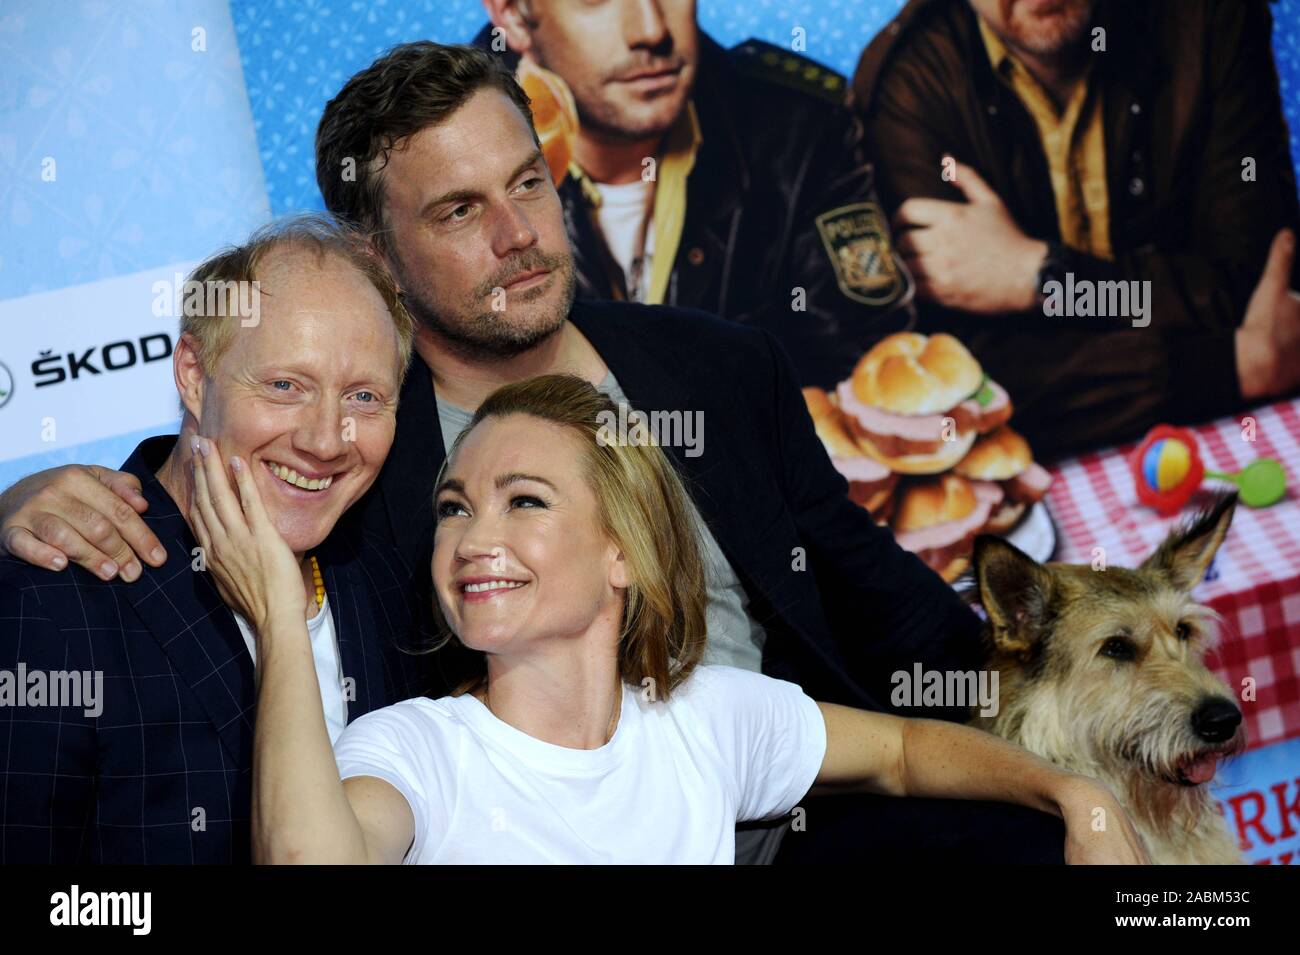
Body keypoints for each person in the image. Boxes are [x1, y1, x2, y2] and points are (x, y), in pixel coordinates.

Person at [0, 43, 1066, 864]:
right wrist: (55, 492)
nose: (519, 233)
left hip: (792, 799)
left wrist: (1076, 718)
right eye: (461, 210)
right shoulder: (370, 461)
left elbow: (883, 596)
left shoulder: (717, 365)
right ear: (376, 255)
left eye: (526, 183)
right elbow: (252, 437)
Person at [187, 371, 1147, 864]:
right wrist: (277, 610)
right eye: (453, 505)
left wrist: (1079, 798)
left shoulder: (702, 717)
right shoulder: (415, 748)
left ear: (622, 553)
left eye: (523, 500)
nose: (474, 536)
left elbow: (901, 749)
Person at [0, 217, 436, 862]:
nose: (323, 440)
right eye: (286, 386)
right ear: (194, 376)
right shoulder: (53, 601)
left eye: (365, 397)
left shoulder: (386, 582)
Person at [851, 0, 1300, 460]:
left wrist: (1046, 279)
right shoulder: (906, 86)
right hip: (1035, 476)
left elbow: (1256, 296)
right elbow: (959, 393)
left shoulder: (1209, 21)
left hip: (1236, 436)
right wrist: (1227, 365)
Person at [466, 0, 915, 389]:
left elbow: (867, 374)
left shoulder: (801, 131)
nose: (651, 30)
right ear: (513, 15)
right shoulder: (429, 149)